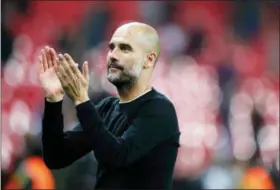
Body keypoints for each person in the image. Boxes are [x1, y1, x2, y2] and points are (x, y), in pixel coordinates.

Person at [39, 22, 180, 189]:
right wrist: (54, 101)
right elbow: (56, 157)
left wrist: (81, 100)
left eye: (125, 48)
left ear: (148, 60)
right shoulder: (107, 108)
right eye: (112, 47)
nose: (113, 55)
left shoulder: (160, 110)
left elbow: (117, 156)